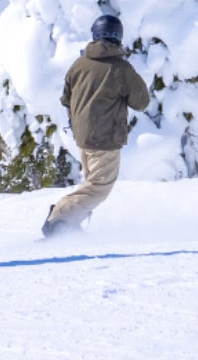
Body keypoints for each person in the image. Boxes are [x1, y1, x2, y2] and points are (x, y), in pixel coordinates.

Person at [41, 14, 150, 237]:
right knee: (100, 187)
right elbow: (141, 102)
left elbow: (65, 99)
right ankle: (60, 216)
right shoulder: (121, 68)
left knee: (92, 183)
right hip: (106, 137)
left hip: (83, 135)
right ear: (118, 37)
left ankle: (69, 224)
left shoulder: (79, 65)